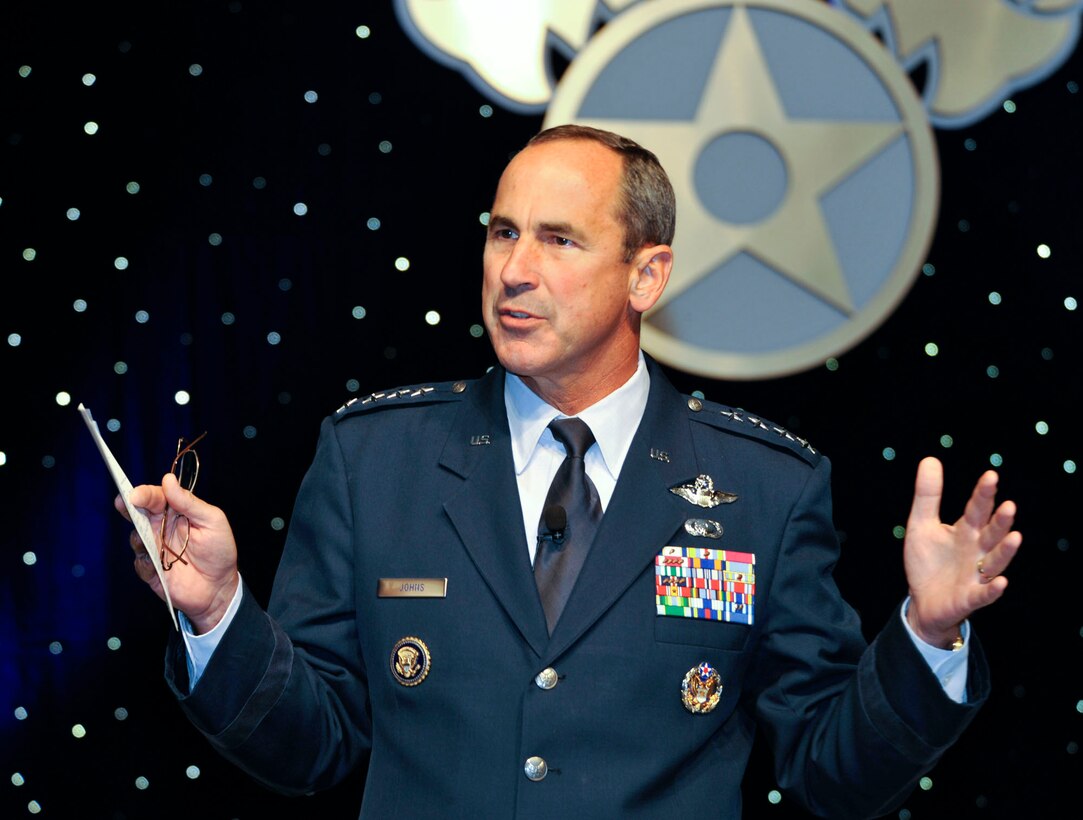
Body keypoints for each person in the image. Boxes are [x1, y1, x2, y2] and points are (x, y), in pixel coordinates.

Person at [117, 124, 1021, 818]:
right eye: (502, 232)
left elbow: (829, 771)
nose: (513, 270)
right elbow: (307, 747)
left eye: (559, 240)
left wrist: (925, 640)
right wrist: (216, 615)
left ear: (646, 276)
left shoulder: (766, 486)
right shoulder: (372, 457)